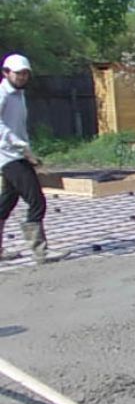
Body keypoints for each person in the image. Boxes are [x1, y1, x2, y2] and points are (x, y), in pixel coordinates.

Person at [0, 54, 66, 264]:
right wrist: (22, 147)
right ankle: (41, 252)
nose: (22, 77)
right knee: (36, 201)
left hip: (17, 154)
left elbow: (18, 126)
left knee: (7, 202)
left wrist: (26, 149)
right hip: (8, 156)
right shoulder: (2, 94)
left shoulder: (19, 95)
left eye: (25, 73)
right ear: (6, 73)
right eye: (18, 73)